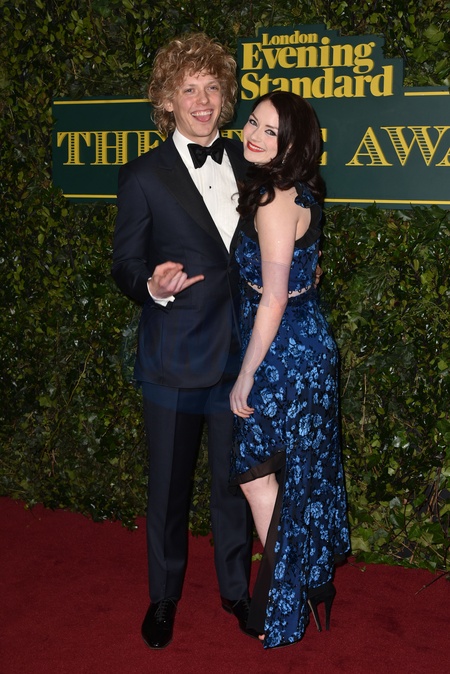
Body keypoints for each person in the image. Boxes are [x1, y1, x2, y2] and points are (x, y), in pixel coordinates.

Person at [111, 33, 256, 649]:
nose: (202, 100)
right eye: (188, 88)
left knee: (234, 486)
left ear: (225, 97)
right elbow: (124, 263)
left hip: (239, 358)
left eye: (212, 86)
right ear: (167, 100)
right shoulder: (144, 176)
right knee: (168, 491)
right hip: (173, 359)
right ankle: (164, 597)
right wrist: (153, 284)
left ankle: (237, 592)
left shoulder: (250, 165)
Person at [229, 91, 351, 649]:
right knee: (298, 472)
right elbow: (300, 276)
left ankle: (289, 598)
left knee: (258, 476)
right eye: (253, 122)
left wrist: (246, 373)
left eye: (270, 131)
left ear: (292, 143)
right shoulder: (298, 190)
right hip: (307, 344)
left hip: (281, 355)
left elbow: (274, 297)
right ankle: (310, 584)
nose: (254, 134)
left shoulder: (274, 198)